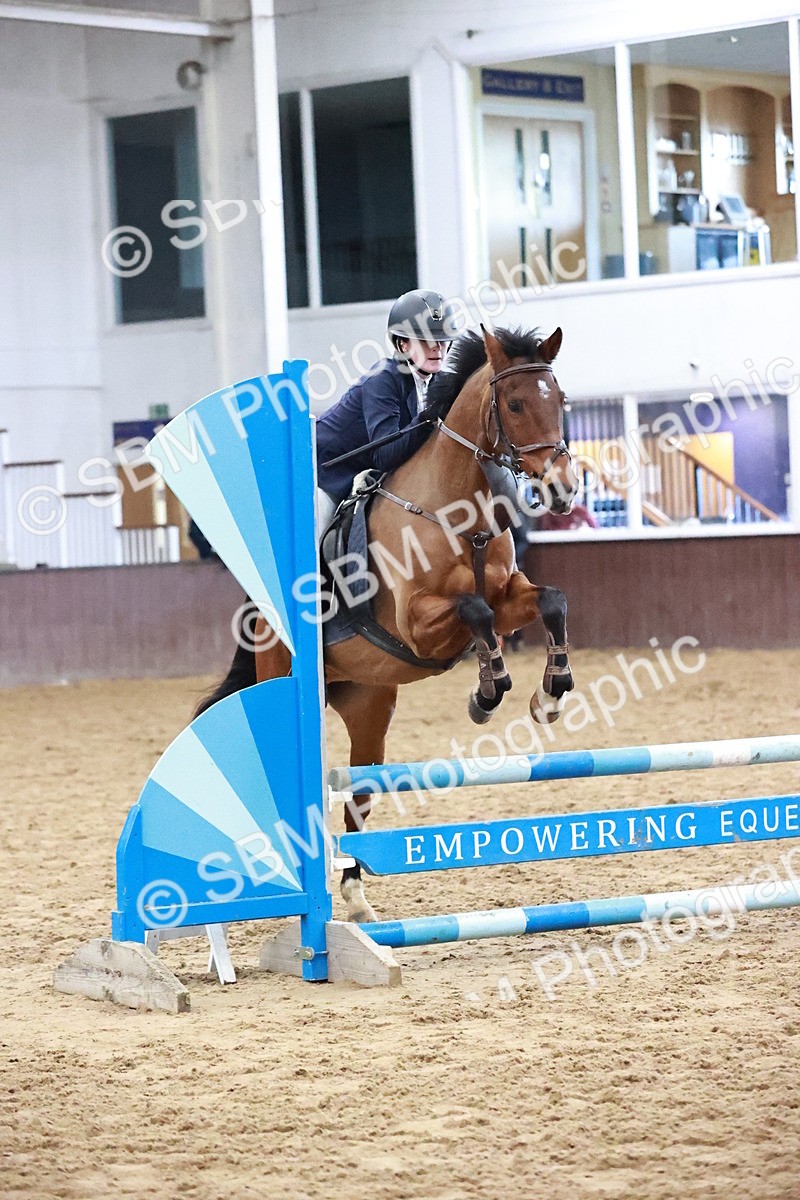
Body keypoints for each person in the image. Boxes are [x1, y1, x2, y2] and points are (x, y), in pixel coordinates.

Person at [314, 289, 457, 536]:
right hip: (327, 473)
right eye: (425, 341)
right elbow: (385, 454)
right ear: (403, 344)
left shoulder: (441, 382)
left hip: (370, 479)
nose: (438, 349)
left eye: (442, 341)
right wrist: (427, 417)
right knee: (317, 530)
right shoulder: (383, 377)